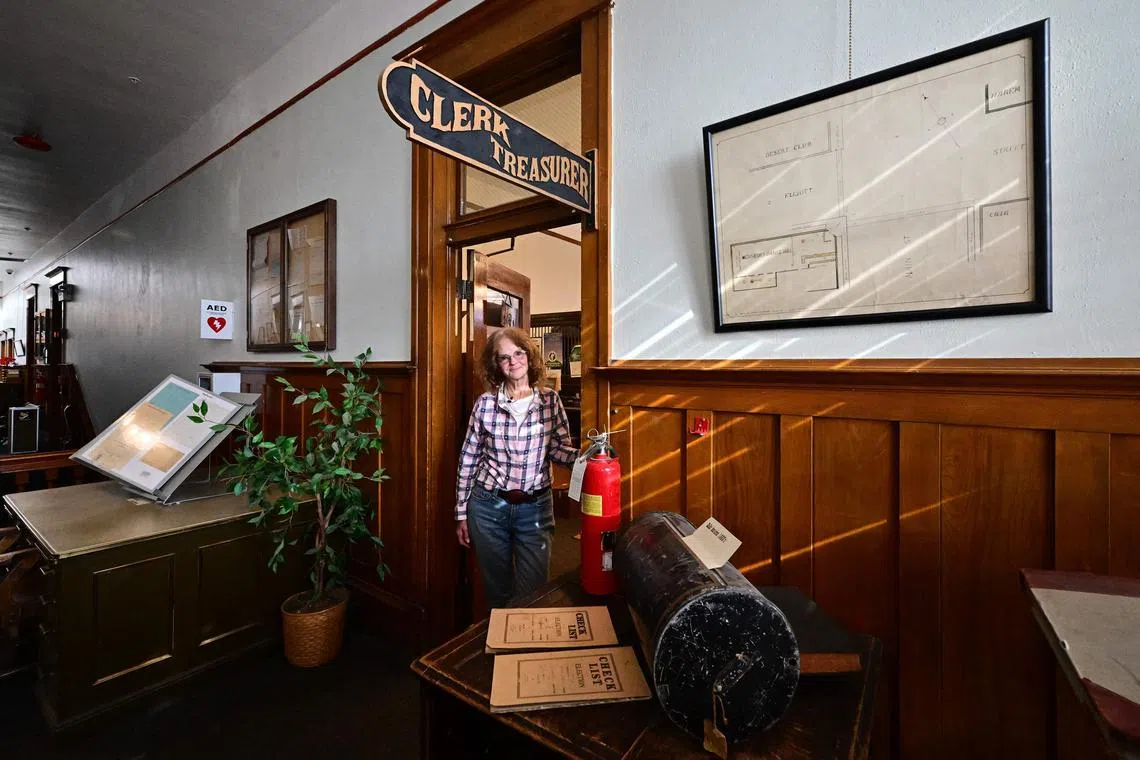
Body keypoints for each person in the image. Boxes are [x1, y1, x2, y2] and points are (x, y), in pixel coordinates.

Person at [455, 326, 578, 609]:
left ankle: (525, 648)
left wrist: (587, 457)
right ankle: (502, 650)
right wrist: (461, 513)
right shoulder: (485, 404)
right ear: (495, 365)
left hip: (534, 508)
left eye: (518, 353)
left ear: (529, 356)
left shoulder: (550, 400)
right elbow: (469, 459)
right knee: (497, 593)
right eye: (504, 357)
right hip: (487, 507)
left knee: (533, 595)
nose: (513, 362)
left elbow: (558, 450)